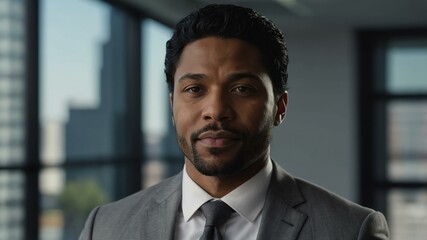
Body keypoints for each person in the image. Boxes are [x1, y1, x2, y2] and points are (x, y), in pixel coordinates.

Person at [79, 4, 389, 240]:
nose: (215, 110)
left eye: (242, 89)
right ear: (172, 106)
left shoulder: (351, 230)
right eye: (194, 89)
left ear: (279, 107)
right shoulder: (105, 227)